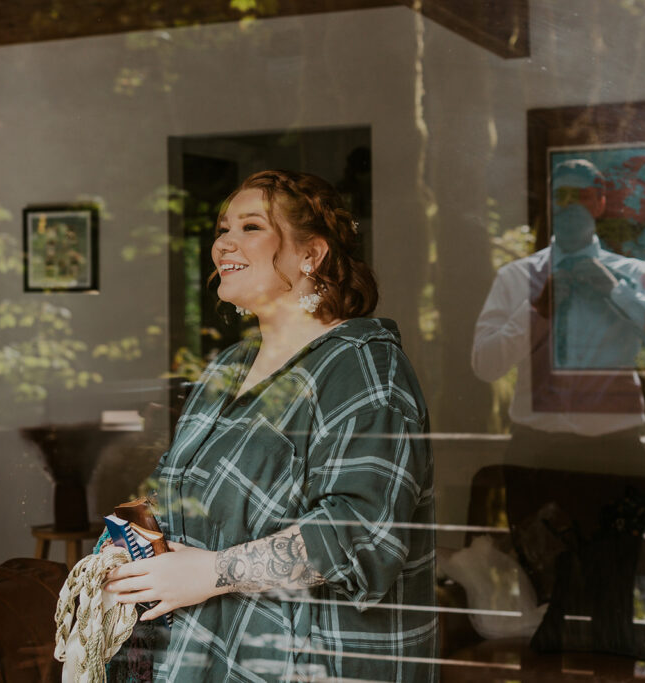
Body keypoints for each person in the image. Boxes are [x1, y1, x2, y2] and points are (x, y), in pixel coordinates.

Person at [102, 169, 438, 682]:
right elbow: (178, 495)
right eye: (222, 229)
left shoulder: (364, 367)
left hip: (314, 665)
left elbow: (362, 538)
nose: (224, 244)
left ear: (311, 254)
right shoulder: (227, 367)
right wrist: (135, 550)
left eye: (251, 227)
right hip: (201, 657)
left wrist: (213, 572)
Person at [471, 159, 645, 658]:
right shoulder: (517, 280)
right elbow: (484, 365)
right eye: (561, 198)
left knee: (613, 609)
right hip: (536, 460)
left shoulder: (633, 275)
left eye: (581, 196)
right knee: (544, 607)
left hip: (614, 460)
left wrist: (615, 292)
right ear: (551, 206)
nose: (571, 207)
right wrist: (539, 309)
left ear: (600, 202)